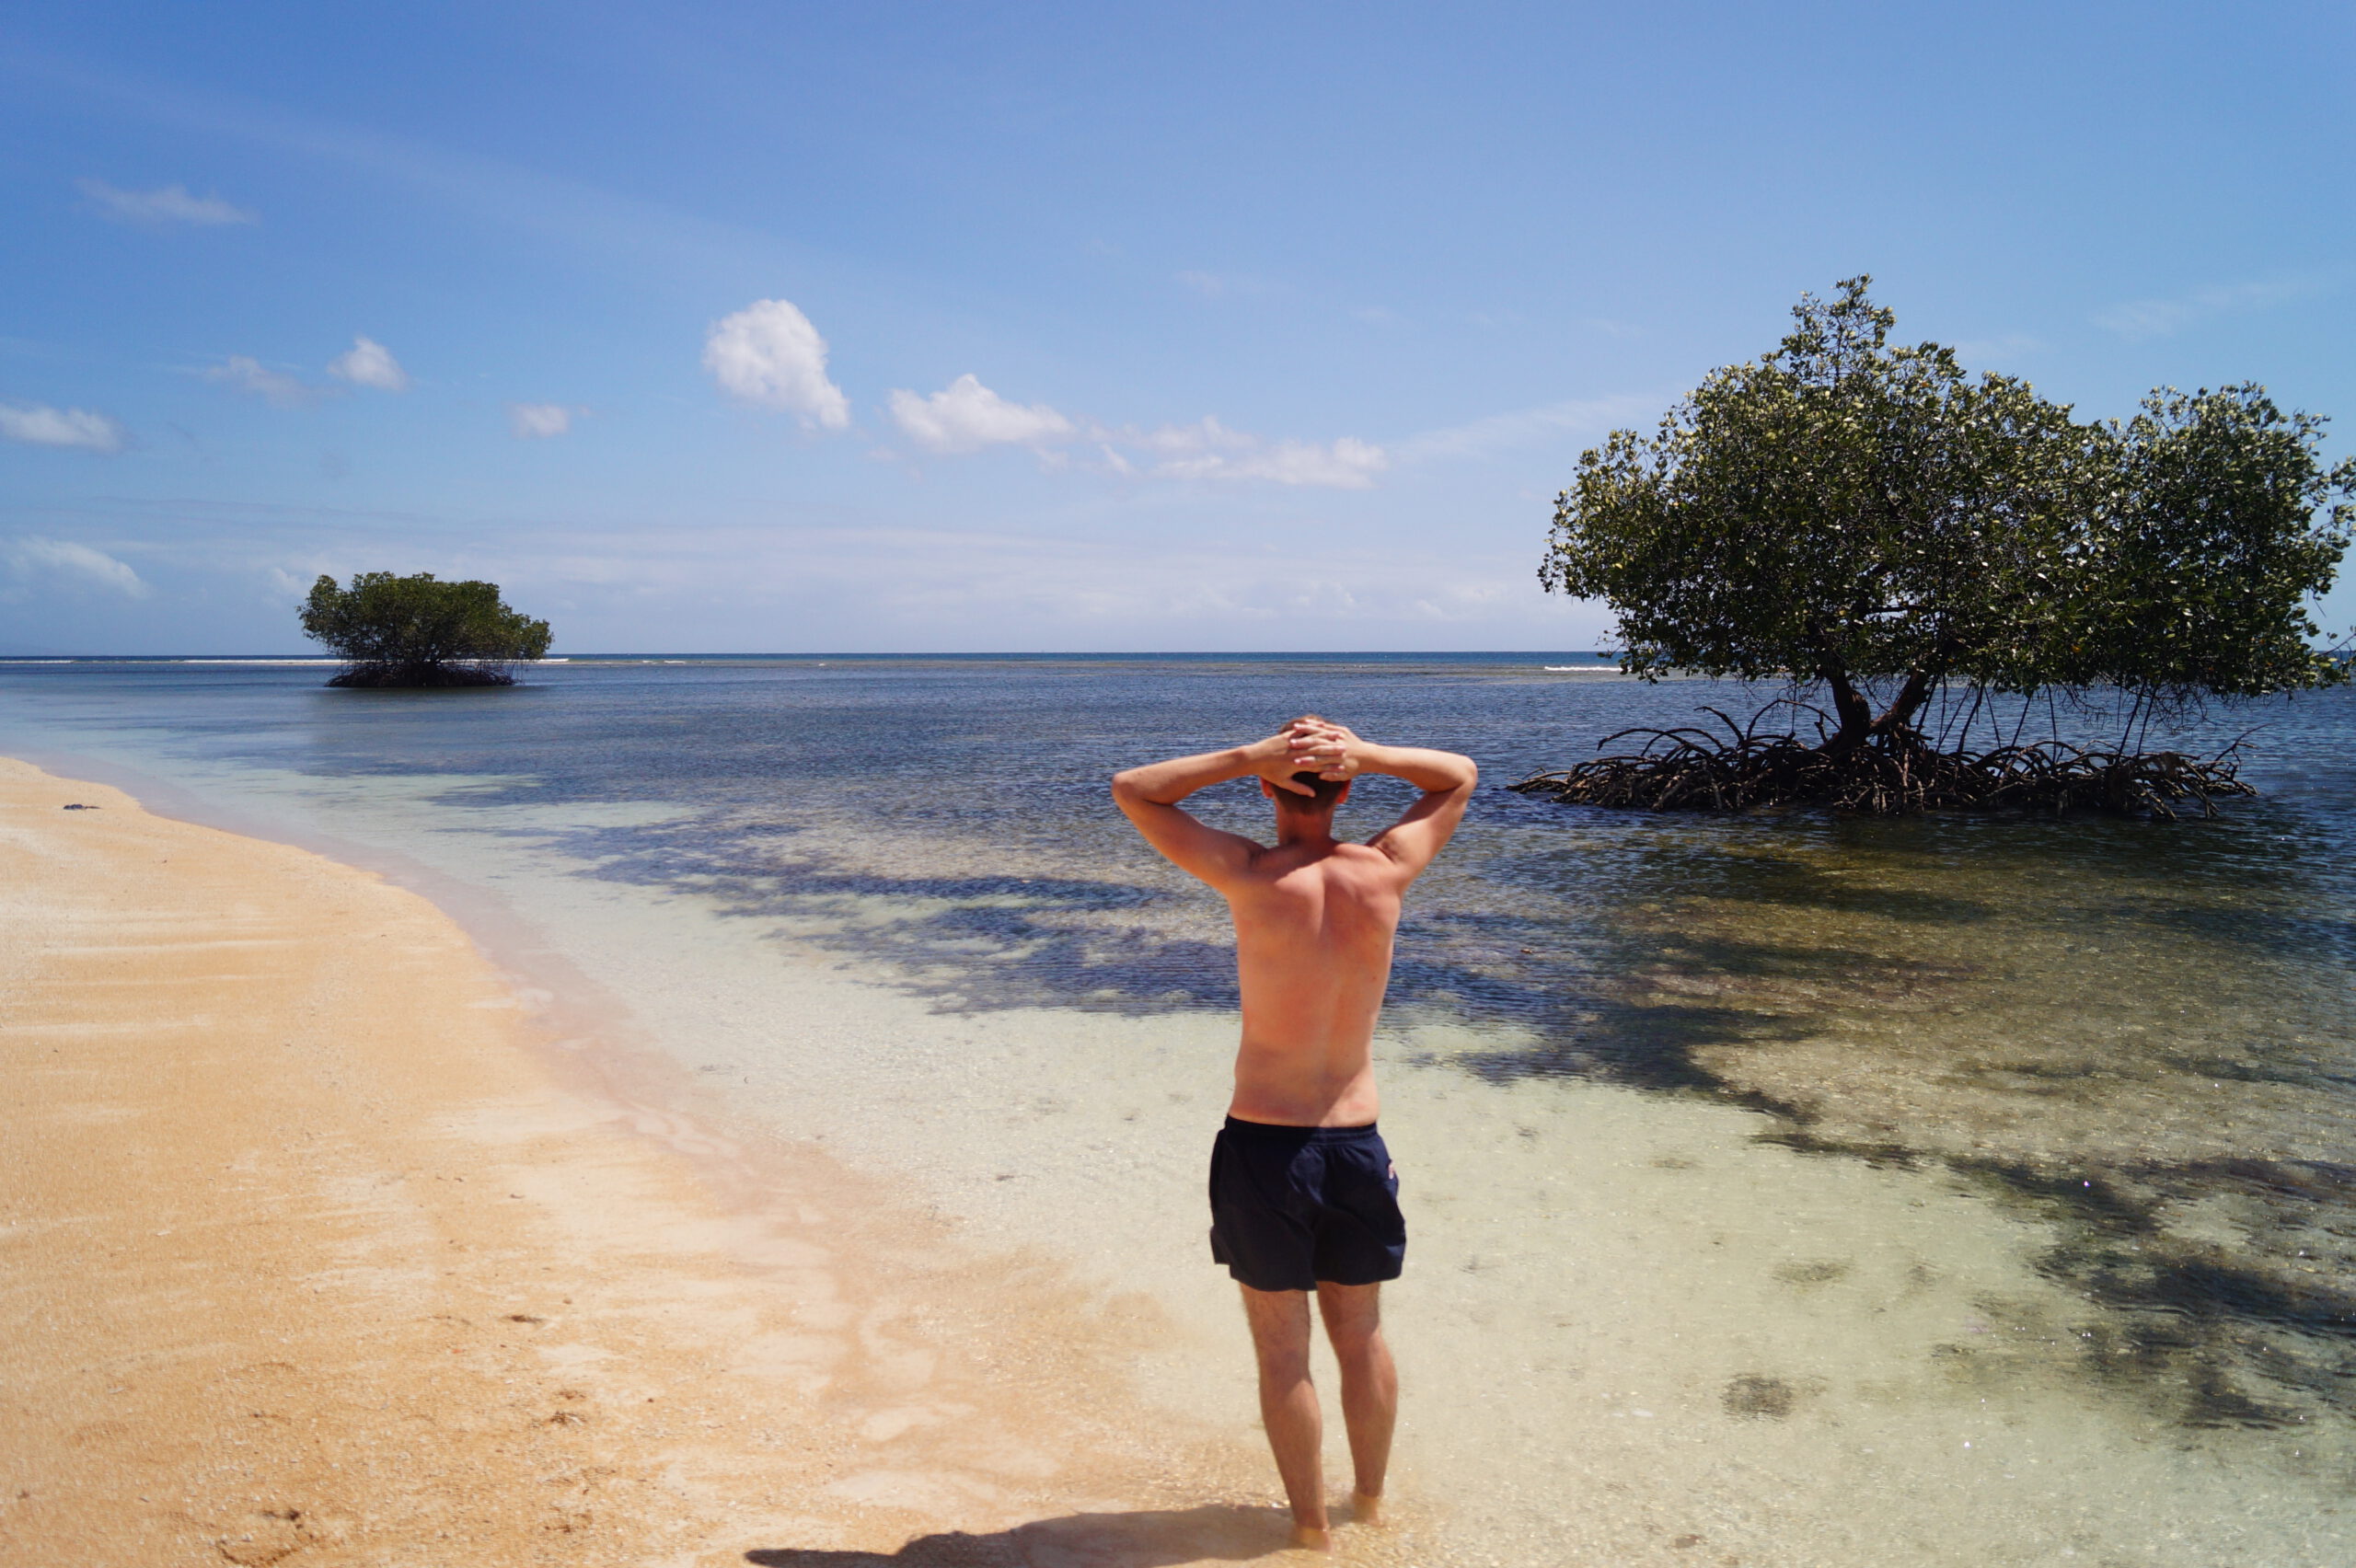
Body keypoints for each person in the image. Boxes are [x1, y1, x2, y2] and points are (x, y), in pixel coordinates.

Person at [1111, 715, 1477, 1551]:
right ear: (1347, 789)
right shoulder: (1385, 871)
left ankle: (1310, 1533)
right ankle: (1372, 1509)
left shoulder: (1247, 872)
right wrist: (1371, 753)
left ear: (1267, 788)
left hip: (1265, 1148)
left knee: (1284, 1356)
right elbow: (1457, 775)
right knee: (1363, 1335)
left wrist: (1250, 756)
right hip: (1356, 1144)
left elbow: (1134, 788)